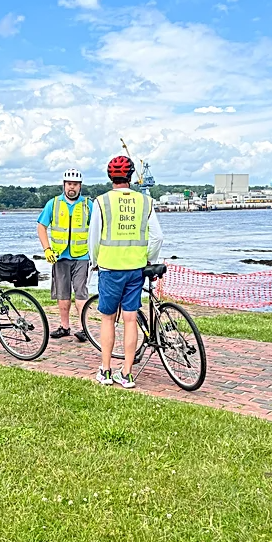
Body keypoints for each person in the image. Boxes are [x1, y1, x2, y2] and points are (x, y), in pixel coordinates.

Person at [88, 155, 164, 389]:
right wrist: (149, 259)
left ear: (110, 176)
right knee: (130, 319)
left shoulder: (101, 202)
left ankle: (106, 370)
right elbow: (157, 237)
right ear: (131, 176)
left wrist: (95, 261)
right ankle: (127, 373)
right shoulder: (145, 202)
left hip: (110, 268)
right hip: (135, 268)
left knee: (108, 318)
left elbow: (94, 237)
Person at [37, 169, 92, 342]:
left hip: (82, 255)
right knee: (62, 293)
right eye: (69, 184)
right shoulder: (53, 204)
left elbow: (98, 229)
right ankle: (64, 326)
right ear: (64, 185)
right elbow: (41, 226)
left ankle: (84, 329)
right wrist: (47, 249)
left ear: (80, 186)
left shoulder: (88, 205)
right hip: (60, 256)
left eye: (75, 184)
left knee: (81, 292)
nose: (72, 187)